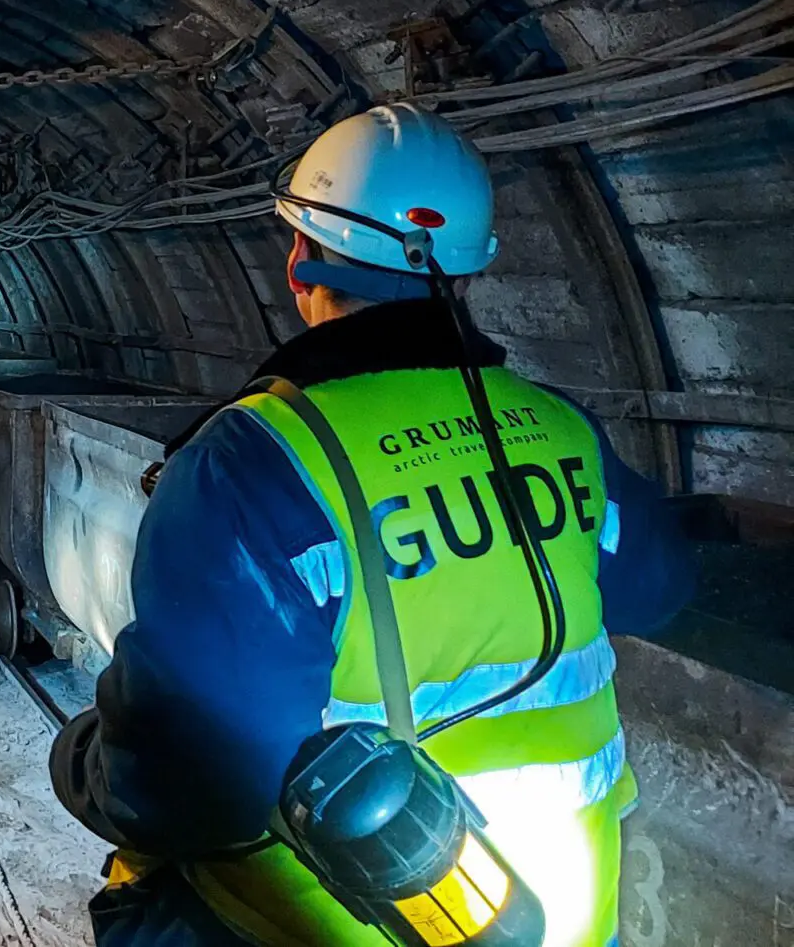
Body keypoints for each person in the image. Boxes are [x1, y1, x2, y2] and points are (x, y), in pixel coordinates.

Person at [46, 105, 695, 947]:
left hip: (353, 922)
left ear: (298, 262)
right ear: (466, 274)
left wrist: (85, 760)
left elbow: (181, 787)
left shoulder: (255, 461)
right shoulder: (562, 429)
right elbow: (663, 588)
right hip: (564, 915)